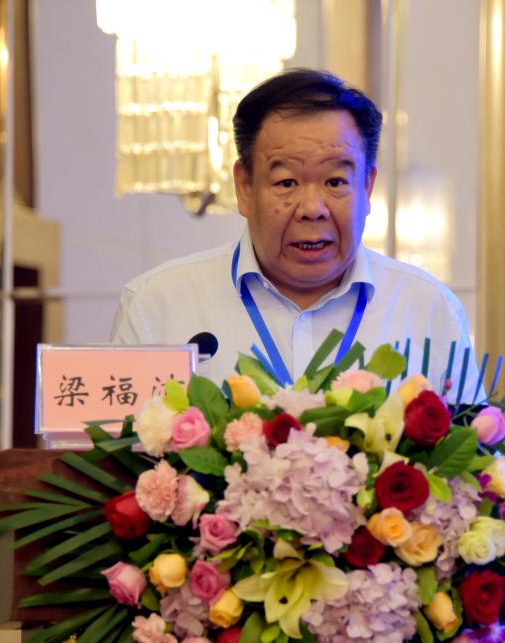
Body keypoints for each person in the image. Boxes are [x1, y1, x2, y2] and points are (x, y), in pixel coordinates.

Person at [111, 69, 483, 402]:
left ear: (367, 186)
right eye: (286, 182)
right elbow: (114, 450)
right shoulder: (157, 306)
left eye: (335, 182)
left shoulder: (429, 310)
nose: (312, 208)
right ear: (245, 187)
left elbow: (474, 454)